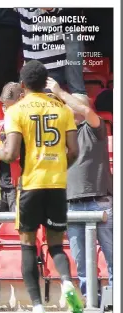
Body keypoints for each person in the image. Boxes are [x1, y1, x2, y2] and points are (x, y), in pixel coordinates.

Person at [0, 60, 83, 313]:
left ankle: (37, 308)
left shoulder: (16, 110)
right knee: (56, 245)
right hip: (57, 185)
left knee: (27, 246)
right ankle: (67, 281)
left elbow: (11, 154)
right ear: (46, 82)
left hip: (31, 184)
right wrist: (57, 167)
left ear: (22, 84)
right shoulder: (62, 109)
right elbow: (75, 151)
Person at [46, 77, 113, 300]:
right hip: (71, 205)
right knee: (82, 263)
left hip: (99, 202)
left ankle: (115, 303)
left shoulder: (96, 128)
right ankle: (93, 304)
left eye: (70, 105)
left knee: (114, 259)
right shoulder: (62, 135)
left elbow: (85, 111)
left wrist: (60, 92)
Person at [0, 82, 23, 212]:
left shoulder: (26, 126)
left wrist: (0, 153)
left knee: (17, 223)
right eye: (3, 106)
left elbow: (17, 154)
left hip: (18, 185)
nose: (5, 110)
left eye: (9, 107)